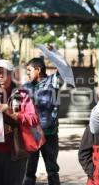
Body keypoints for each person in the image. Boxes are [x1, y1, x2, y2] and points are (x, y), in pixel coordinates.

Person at [0, 59, 39, 185]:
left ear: (11, 75)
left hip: (15, 155)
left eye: (4, 73)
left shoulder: (22, 94)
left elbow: (33, 118)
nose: (0, 77)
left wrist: (11, 112)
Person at [23, 57, 61, 185]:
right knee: (29, 171)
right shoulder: (25, 87)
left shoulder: (53, 82)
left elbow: (64, 68)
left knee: (52, 171)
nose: (27, 73)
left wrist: (53, 53)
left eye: (29, 70)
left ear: (38, 70)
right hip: (32, 135)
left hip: (50, 134)